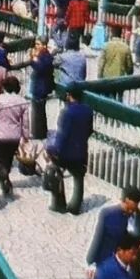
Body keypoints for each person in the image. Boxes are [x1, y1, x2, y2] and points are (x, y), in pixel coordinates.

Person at [87, 185, 140, 279]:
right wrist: (91, 262)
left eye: (133, 209)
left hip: (130, 267)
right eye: (128, 208)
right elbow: (98, 239)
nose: (130, 212)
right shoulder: (108, 214)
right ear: (123, 200)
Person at [47, 86, 94, 215]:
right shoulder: (88, 110)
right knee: (78, 178)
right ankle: (75, 207)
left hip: (65, 152)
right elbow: (89, 130)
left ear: (69, 95)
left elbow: (62, 135)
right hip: (80, 150)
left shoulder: (66, 112)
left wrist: (55, 150)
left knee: (56, 173)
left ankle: (58, 203)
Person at [0, 76, 29, 201]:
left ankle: (4, 177)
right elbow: (25, 123)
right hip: (14, 135)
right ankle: (5, 178)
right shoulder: (23, 101)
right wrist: (25, 136)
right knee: (8, 159)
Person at [30, 36, 55, 139]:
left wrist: (33, 60)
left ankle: (38, 133)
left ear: (44, 45)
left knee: (39, 111)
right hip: (39, 86)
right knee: (38, 111)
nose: (36, 46)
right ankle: (39, 132)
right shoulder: (43, 55)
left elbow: (40, 68)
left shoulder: (46, 57)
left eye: (38, 44)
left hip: (41, 87)